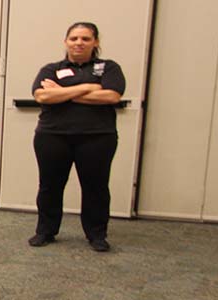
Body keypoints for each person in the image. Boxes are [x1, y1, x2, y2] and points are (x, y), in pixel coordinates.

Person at [28, 22, 126, 252]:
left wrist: (62, 92)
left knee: (96, 187)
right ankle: (46, 231)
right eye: (74, 38)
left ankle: (97, 235)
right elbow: (42, 96)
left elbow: (111, 96)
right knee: (49, 186)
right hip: (52, 136)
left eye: (85, 38)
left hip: (97, 137)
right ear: (66, 42)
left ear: (95, 42)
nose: (79, 43)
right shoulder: (51, 68)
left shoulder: (109, 68)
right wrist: (90, 87)